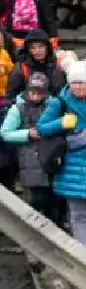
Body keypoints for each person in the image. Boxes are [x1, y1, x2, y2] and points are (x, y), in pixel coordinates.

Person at [37, 61, 86, 252]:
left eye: (81, 82)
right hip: (72, 165)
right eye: (73, 83)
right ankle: (84, 252)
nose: (77, 87)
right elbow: (41, 128)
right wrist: (60, 123)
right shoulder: (60, 103)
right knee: (77, 213)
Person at [0, 71, 56, 219]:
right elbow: (5, 133)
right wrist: (27, 134)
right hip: (29, 163)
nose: (36, 95)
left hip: (51, 163)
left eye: (40, 92)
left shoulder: (53, 106)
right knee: (34, 205)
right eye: (33, 92)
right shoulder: (18, 108)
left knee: (53, 207)